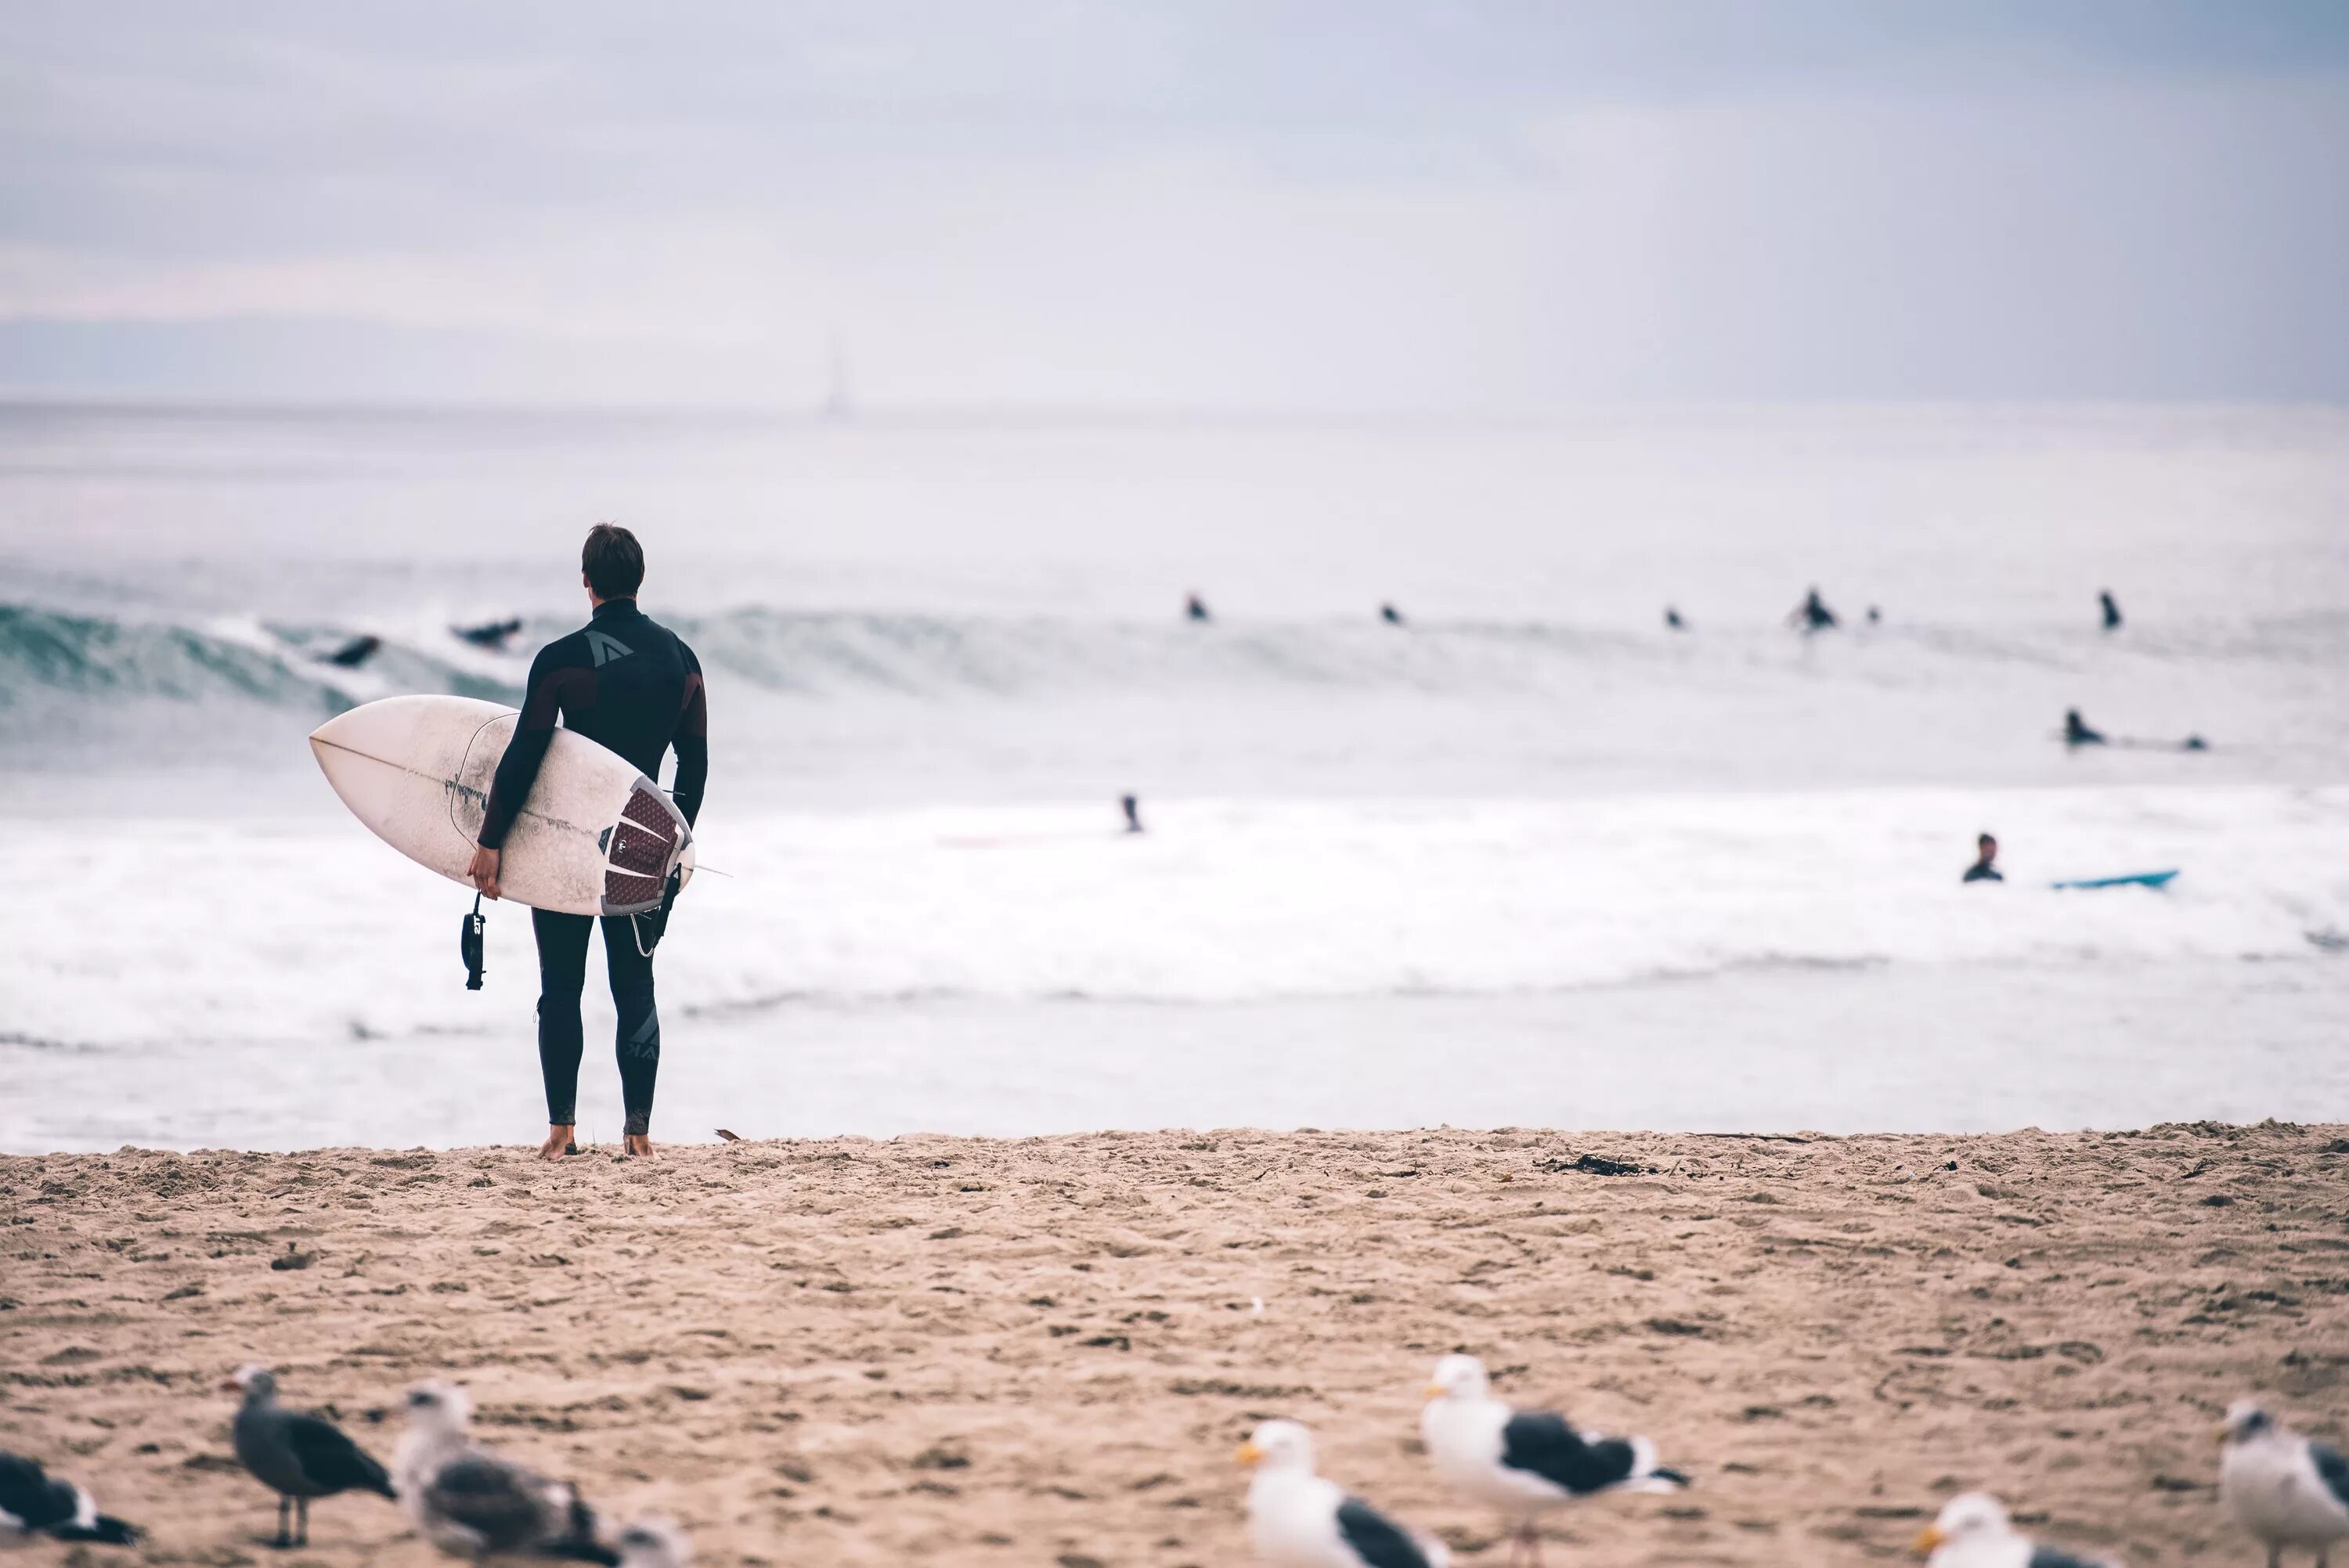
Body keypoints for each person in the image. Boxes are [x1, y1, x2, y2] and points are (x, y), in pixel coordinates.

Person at [467, 524, 708, 1162]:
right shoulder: (682, 660)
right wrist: (674, 840)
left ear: (586, 581)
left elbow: (525, 755)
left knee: (561, 985)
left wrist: (491, 839)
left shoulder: (563, 659)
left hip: (569, 843)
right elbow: (695, 763)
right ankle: (638, 1135)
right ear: (640, 578)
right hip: (639, 844)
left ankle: (562, 1132)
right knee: (635, 985)